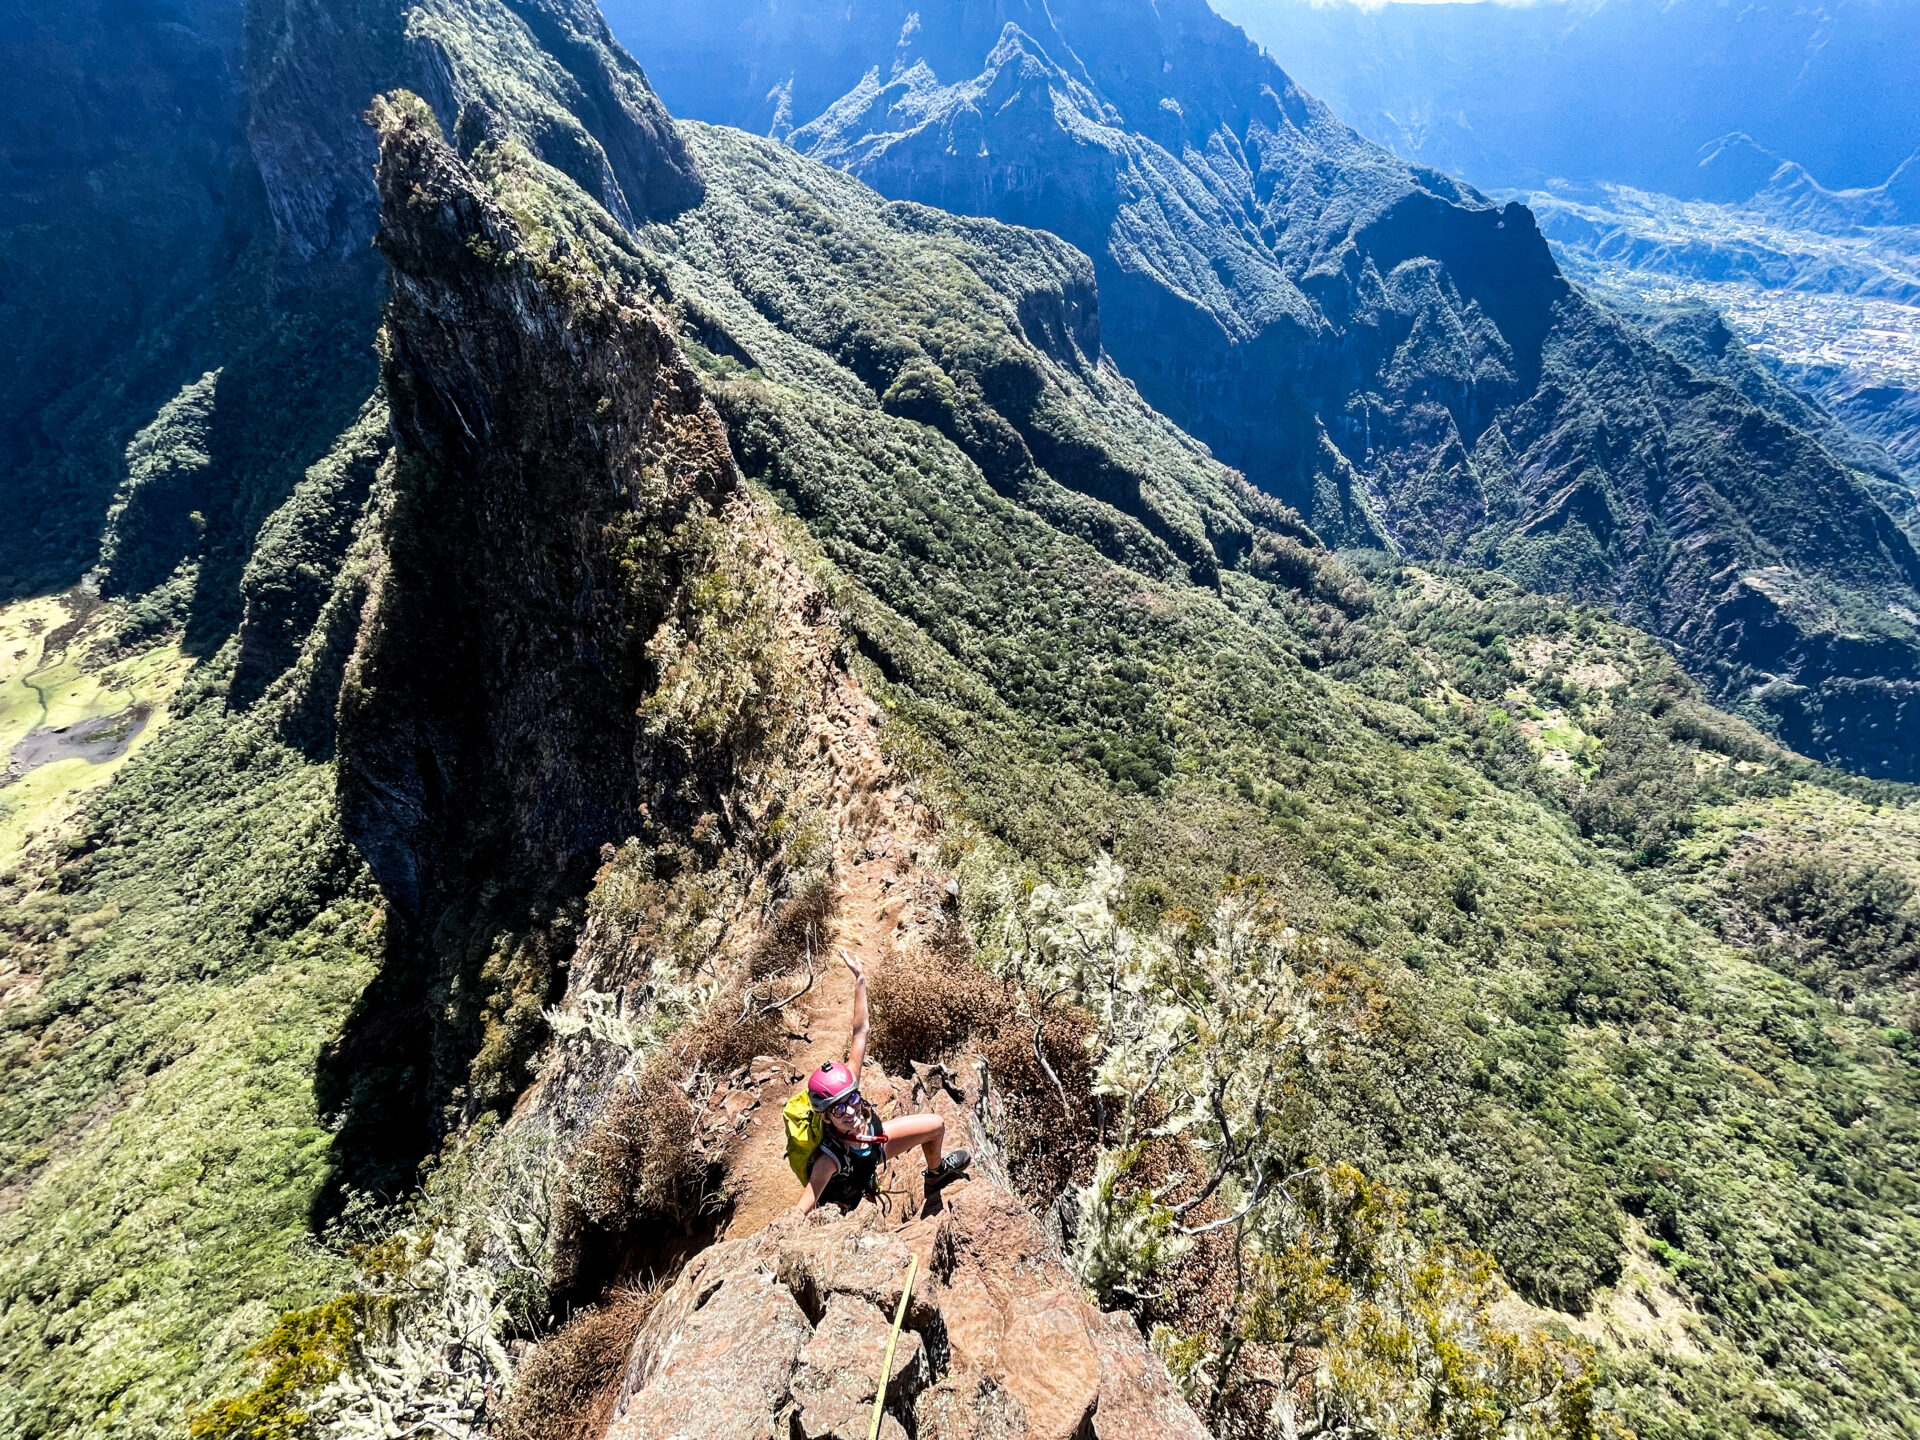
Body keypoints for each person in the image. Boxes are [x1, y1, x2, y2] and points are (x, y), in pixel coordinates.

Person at [789, 951, 970, 1216]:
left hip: (876, 1142)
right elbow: (801, 1208)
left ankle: (935, 1173)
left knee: (936, 1125)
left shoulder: (849, 1083)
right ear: (826, 1118)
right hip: (845, 1197)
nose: (850, 1111)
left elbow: (860, 1031)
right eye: (838, 1109)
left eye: (851, 1100)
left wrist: (860, 979)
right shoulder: (828, 1161)